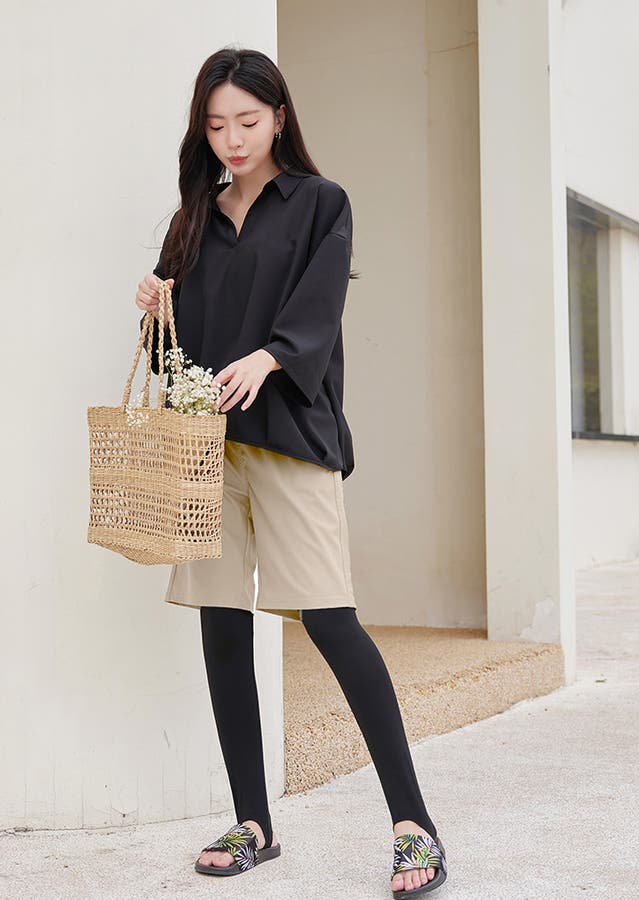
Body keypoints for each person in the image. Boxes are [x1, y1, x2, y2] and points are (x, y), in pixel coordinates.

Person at [134, 47, 447, 899]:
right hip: (207, 445)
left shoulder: (319, 202)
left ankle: (413, 823)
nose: (232, 140)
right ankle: (254, 823)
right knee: (222, 624)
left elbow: (317, 310)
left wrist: (271, 358)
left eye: (247, 120)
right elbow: (173, 353)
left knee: (332, 620)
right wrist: (155, 307)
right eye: (216, 125)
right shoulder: (191, 219)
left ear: (279, 117)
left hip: (290, 434)